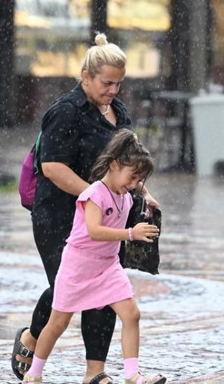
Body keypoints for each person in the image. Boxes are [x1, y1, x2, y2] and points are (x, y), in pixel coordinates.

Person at [12, 33, 160, 384]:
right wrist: (96, 197)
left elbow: (127, 162)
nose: (113, 91)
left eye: (119, 84)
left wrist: (144, 193)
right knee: (65, 289)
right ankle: (33, 337)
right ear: (86, 77)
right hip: (58, 217)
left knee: (106, 289)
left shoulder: (118, 112)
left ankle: (96, 374)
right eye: (107, 83)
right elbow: (52, 167)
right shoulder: (64, 113)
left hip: (106, 218)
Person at [21, 129, 165, 384]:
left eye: (138, 181)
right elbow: (94, 231)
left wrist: (146, 207)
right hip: (77, 267)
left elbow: (125, 215)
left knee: (132, 314)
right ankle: (33, 374)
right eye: (131, 178)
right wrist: (131, 233)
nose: (132, 185)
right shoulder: (94, 194)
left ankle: (132, 375)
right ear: (114, 164)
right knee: (57, 324)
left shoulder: (127, 197)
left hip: (108, 267)